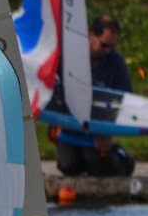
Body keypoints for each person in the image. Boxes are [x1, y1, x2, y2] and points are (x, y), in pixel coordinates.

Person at [55, 15, 136, 176]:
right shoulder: (68, 57)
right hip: (71, 126)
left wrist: (108, 132)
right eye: (104, 45)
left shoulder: (116, 63)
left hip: (98, 129)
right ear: (92, 35)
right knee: (68, 166)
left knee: (98, 167)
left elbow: (125, 102)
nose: (108, 51)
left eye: (111, 47)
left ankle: (123, 158)